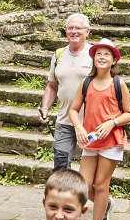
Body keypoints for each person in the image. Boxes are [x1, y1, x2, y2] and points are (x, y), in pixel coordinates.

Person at [68, 41, 130, 220]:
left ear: (114, 60)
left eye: (107, 54)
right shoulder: (86, 82)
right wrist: (78, 126)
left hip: (112, 139)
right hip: (90, 140)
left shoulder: (118, 84)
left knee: (101, 184)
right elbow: (73, 109)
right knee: (84, 185)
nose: (102, 57)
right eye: (98, 54)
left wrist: (112, 122)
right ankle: (104, 204)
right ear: (94, 59)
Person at [40, 13, 96, 172]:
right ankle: (66, 197)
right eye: (70, 28)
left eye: (78, 28)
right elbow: (52, 86)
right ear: (65, 31)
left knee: (91, 171)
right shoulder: (59, 55)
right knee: (60, 165)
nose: (74, 31)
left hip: (91, 122)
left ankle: (102, 198)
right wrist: (45, 109)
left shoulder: (95, 54)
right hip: (64, 120)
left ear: (87, 31)